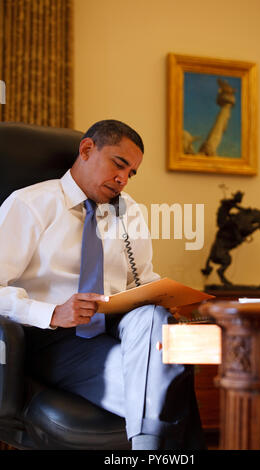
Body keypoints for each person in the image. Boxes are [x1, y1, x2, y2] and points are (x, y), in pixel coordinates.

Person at [0, 119, 206, 450]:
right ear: (86, 150)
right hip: (54, 339)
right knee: (168, 384)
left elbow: (140, 278)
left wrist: (176, 299)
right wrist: (52, 312)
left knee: (156, 320)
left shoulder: (129, 212)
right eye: (119, 164)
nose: (123, 179)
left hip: (118, 326)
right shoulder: (29, 205)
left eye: (131, 173)